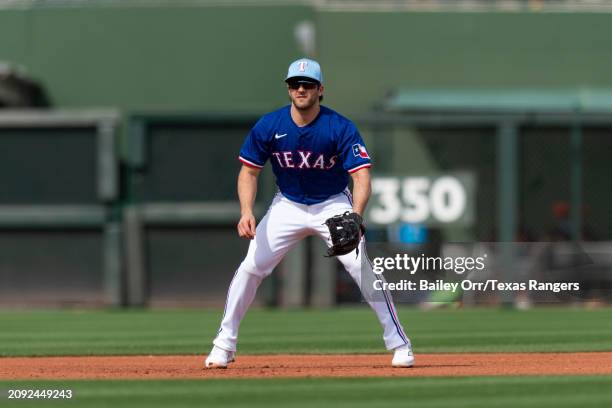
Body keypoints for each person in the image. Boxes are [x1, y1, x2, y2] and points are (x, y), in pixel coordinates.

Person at [205, 58, 414, 368]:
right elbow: (248, 172)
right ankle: (224, 345)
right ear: (288, 89)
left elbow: (361, 176)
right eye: (294, 84)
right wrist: (246, 211)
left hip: (331, 203)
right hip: (287, 204)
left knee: (362, 270)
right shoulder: (270, 125)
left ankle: (400, 343)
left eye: (307, 84)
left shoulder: (338, 127)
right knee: (251, 267)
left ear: (320, 90)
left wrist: (355, 216)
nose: (300, 89)